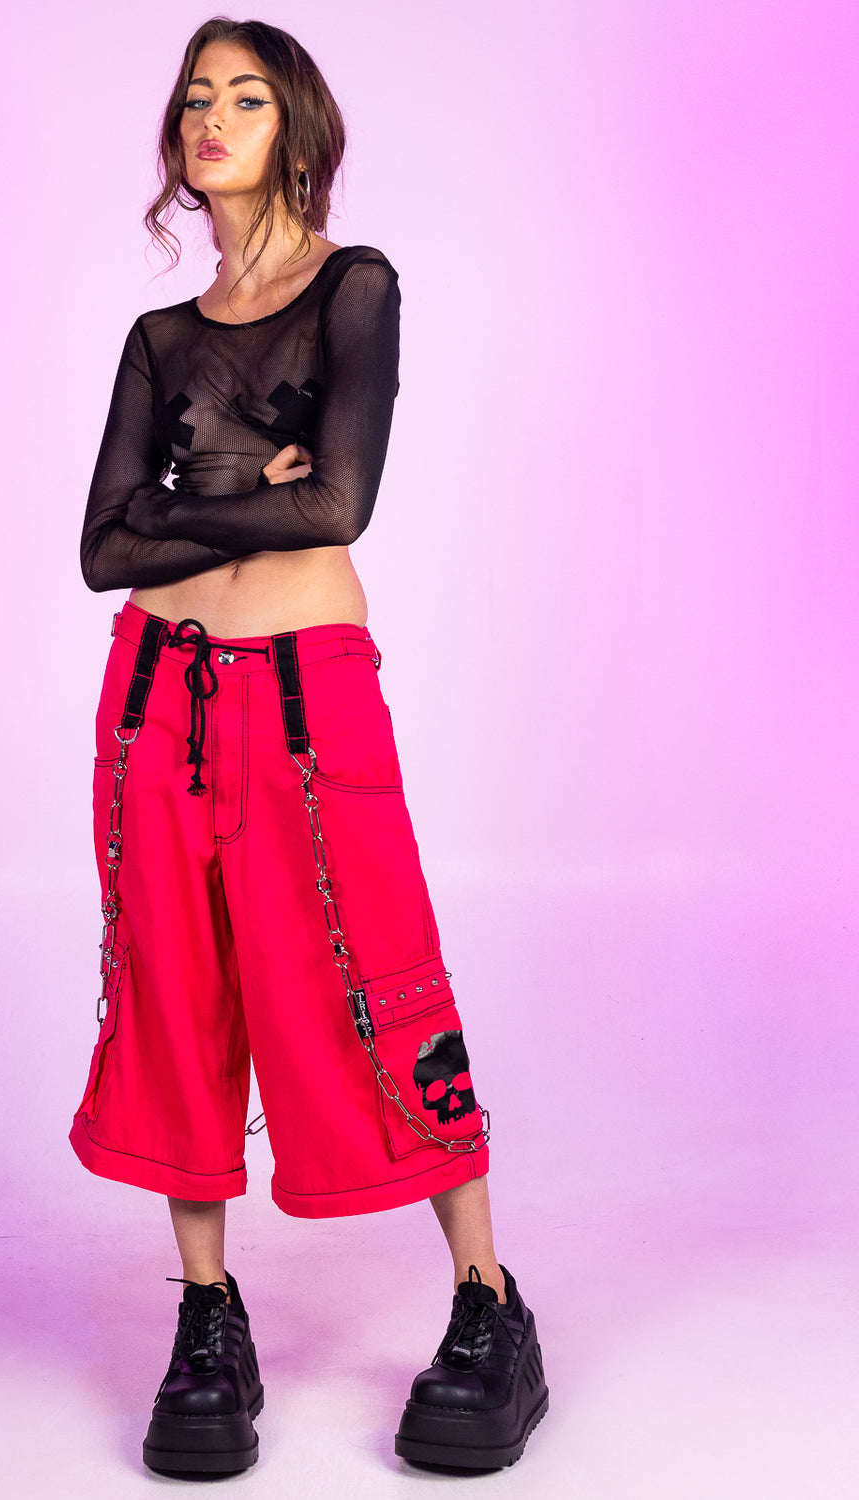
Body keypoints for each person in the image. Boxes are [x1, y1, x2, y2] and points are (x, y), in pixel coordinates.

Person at [70, 16, 548, 1477]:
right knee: (174, 990)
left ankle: (490, 1304)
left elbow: (336, 506)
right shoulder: (158, 339)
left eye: (246, 97)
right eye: (194, 99)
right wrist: (241, 493)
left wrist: (182, 499)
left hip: (302, 694)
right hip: (155, 697)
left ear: (297, 129)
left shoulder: (356, 288)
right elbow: (100, 552)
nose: (211, 119)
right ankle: (208, 1317)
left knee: (375, 970)